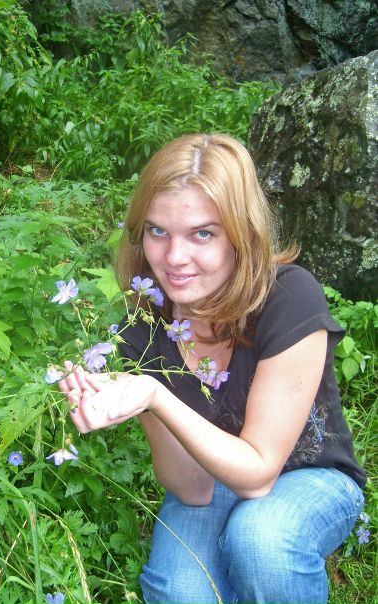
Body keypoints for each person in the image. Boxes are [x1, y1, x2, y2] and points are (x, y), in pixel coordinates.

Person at [57, 133, 366, 604]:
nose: (174, 258)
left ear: (242, 234)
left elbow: (259, 473)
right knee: (180, 590)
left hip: (312, 476)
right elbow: (193, 488)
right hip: (212, 479)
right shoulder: (143, 328)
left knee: (261, 540)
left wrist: (157, 397)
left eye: (202, 233)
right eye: (158, 231)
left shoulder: (289, 298)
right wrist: (143, 398)